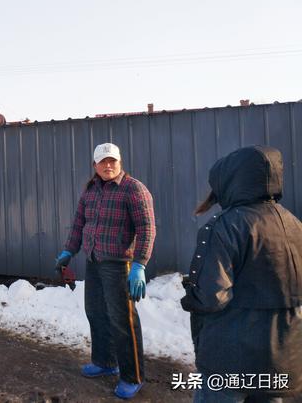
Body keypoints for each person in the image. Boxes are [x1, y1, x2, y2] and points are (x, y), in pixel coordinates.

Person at [181, 145, 302, 402]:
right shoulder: (294, 224)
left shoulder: (225, 226)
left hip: (229, 358)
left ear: (231, 181)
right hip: (280, 357)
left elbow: (211, 297)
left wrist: (191, 292)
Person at [55, 142, 156, 400]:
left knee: (123, 322)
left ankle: (133, 376)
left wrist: (140, 265)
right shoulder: (90, 190)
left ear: (120, 162)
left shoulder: (133, 189)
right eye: (103, 162)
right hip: (94, 261)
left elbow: (147, 229)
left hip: (120, 265)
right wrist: (69, 251)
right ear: (95, 165)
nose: (108, 165)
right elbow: (79, 225)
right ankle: (105, 361)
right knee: (97, 313)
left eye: (112, 161)